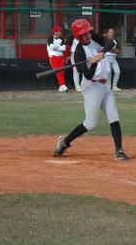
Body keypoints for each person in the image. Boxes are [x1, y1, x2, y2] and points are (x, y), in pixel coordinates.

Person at [54, 19, 129, 160]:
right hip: (91, 87)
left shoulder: (95, 37)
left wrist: (102, 53)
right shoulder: (78, 54)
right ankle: (65, 142)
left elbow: (112, 43)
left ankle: (119, 150)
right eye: (83, 34)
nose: (87, 35)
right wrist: (94, 63)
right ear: (78, 37)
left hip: (105, 85)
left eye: (88, 32)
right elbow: (87, 75)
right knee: (90, 123)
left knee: (114, 117)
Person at [47, 25, 68, 92]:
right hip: (53, 57)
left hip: (61, 57)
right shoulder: (50, 39)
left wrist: (56, 47)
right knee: (58, 72)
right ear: (55, 32)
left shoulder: (61, 39)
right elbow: (52, 47)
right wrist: (59, 47)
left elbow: (64, 48)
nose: (60, 32)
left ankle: (61, 86)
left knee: (62, 72)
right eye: (59, 31)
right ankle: (63, 85)